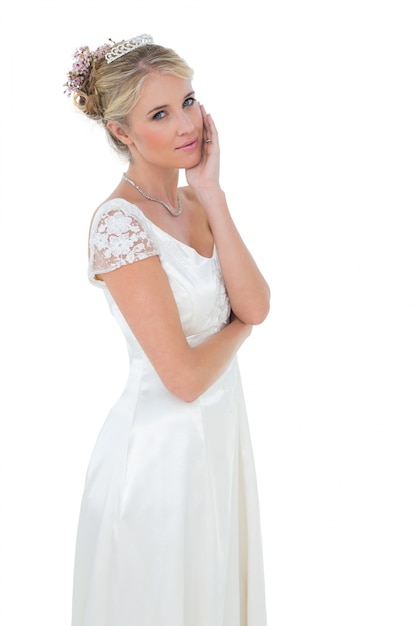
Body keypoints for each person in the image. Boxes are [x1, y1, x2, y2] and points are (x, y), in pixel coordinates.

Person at [64, 33, 270, 626]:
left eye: (188, 101)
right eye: (159, 113)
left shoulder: (198, 203)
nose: (186, 124)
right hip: (160, 458)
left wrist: (212, 191)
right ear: (122, 133)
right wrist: (239, 331)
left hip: (221, 444)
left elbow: (256, 300)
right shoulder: (117, 224)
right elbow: (181, 377)